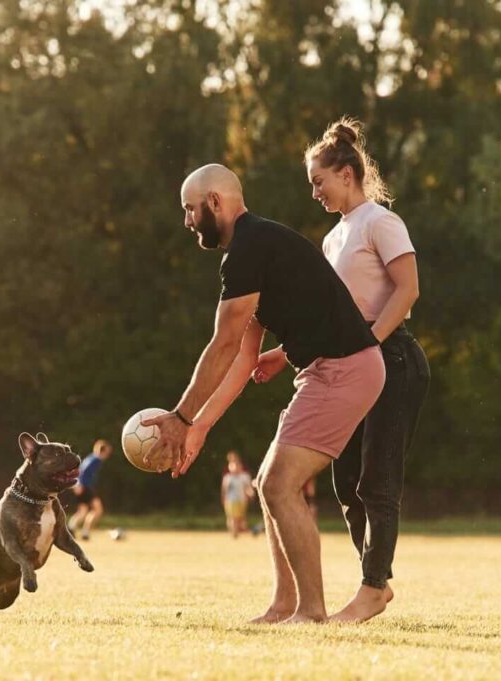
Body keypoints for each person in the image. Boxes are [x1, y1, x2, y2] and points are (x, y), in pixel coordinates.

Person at [142, 164, 385, 624]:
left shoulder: (249, 249)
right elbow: (242, 359)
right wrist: (198, 427)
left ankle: (311, 612)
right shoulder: (254, 249)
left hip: (345, 369)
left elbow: (223, 343)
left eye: (190, 210)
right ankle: (284, 605)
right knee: (269, 483)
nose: (188, 221)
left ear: (215, 202)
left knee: (278, 482)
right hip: (328, 370)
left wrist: (180, 416)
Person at [257, 118, 430, 622]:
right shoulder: (334, 239)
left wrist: (367, 346)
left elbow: (408, 291)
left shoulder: (381, 221)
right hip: (355, 361)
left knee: (378, 480)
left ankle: (373, 587)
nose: (314, 193)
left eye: (319, 181)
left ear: (347, 173)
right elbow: (331, 318)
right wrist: (281, 354)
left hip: (392, 359)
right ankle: (374, 581)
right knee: (346, 480)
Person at [68, 439, 112, 541]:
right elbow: (84, 471)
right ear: (103, 451)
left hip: (83, 487)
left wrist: (77, 484)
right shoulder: (96, 459)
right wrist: (80, 485)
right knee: (98, 510)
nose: (108, 455)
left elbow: (80, 470)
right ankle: (84, 532)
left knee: (83, 511)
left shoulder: (91, 457)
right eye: (108, 452)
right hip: (85, 488)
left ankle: (71, 528)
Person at [221, 451, 254, 538]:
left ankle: (239, 530)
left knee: (240, 519)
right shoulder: (228, 478)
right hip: (231, 500)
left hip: (242, 500)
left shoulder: (244, 477)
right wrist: (224, 499)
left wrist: (250, 494)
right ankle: (234, 533)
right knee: (233, 518)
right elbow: (224, 490)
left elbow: (248, 488)